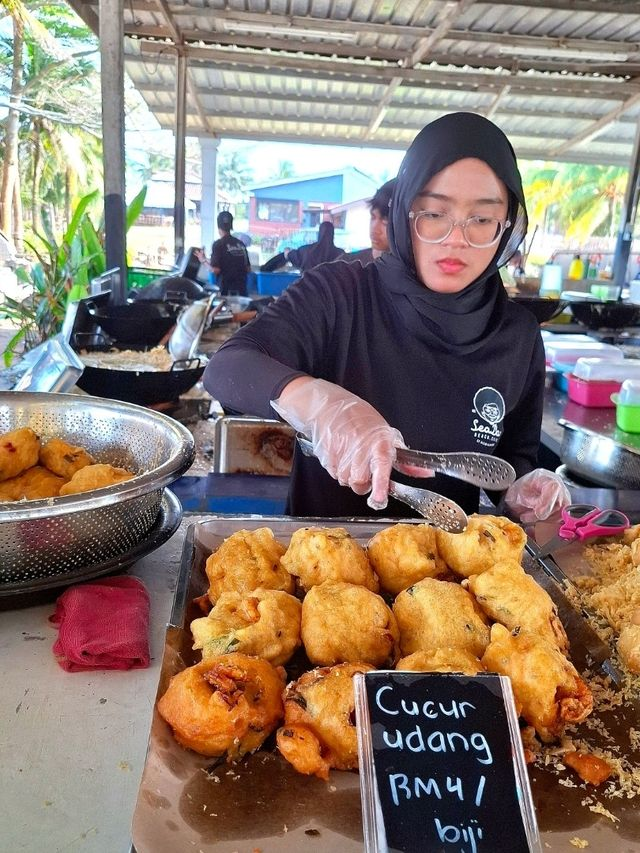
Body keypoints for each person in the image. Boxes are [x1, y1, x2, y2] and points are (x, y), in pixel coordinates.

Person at [204, 112, 570, 522]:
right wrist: (321, 405)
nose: (456, 239)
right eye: (434, 213)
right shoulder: (340, 294)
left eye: (482, 220)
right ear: (405, 212)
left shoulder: (516, 336)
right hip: (321, 571)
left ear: (506, 227)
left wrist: (523, 494)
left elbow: (513, 460)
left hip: (449, 578)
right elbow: (227, 367)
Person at [197, 211, 251, 296]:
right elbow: (248, 269)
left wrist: (203, 260)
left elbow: (215, 270)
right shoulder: (240, 244)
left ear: (218, 226)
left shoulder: (218, 244)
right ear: (231, 226)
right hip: (242, 292)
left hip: (226, 292)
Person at [261, 221, 344, 274]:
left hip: (306, 290)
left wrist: (287, 251)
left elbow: (288, 255)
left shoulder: (307, 250)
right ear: (333, 234)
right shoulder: (340, 254)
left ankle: (263, 270)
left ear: (319, 233)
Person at [346, 178, 396, 266]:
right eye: (373, 217)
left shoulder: (414, 274)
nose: (375, 229)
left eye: (385, 221)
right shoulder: (347, 265)